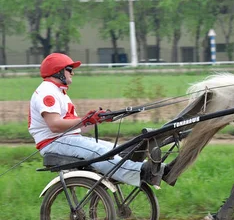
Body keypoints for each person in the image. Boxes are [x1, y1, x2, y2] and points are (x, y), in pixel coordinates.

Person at [28, 53, 163, 186]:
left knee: (116, 149)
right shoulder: (47, 92)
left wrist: (97, 119)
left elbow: (79, 127)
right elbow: (55, 125)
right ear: (57, 71)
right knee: (98, 152)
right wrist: (86, 119)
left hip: (66, 139)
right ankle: (141, 172)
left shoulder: (59, 92)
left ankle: (153, 168)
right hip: (53, 142)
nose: (72, 73)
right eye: (69, 70)